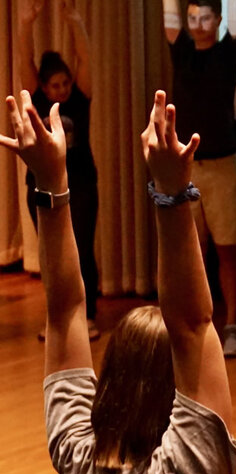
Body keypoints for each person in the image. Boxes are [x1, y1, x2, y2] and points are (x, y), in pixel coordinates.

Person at [0, 89, 236, 474]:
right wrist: (173, 195)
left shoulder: (80, 468)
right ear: (174, 393)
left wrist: (51, 181)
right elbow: (193, 325)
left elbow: (64, 314)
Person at [163, 0, 236, 357]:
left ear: (217, 20)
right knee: (194, 251)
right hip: (188, 167)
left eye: (205, 18)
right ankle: (199, 322)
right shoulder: (181, 52)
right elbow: (169, 13)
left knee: (227, 249)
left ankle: (232, 325)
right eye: (192, 18)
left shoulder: (228, 53)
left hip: (224, 167)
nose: (197, 25)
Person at [19, 0, 100, 341]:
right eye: (55, 85)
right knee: (52, 256)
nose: (62, 90)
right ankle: (57, 318)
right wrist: (25, 24)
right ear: (44, 86)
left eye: (65, 83)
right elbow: (25, 60)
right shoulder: (36, 100)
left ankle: (88, 316)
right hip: (41, 185)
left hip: (80, 183)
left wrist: (75, 22)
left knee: (80, 247)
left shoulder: (79, 98)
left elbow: (85, 59)